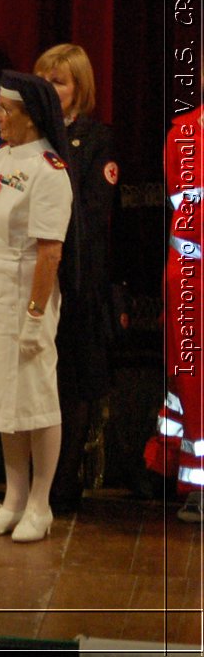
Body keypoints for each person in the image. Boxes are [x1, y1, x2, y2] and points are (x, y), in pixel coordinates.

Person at [0, 71, 73, 543]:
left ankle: (40, 504)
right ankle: (12, 499)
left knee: (35, 401)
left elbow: (50, 251)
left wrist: (35, 315)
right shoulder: (2, 157)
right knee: (4, 404)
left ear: (29, 116)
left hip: (24, 288)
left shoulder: (49, 170)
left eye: (4, 110)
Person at [33, 44, 119, 514]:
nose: (50, 89)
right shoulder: (27, 136)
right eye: (43, 79)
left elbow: (92, 211)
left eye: (60, 81)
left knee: (72, 381)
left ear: (79, 89)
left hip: (77, 276)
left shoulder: (94, 138)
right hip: (30, 278)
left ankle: (63, 482)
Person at [145, 105, 204, 523]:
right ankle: (196, 485)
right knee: (191, 384)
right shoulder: (183, 134)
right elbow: (187, 210)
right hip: (191, 278)